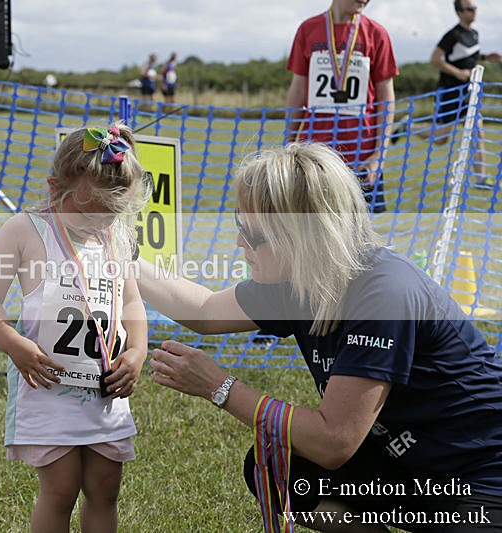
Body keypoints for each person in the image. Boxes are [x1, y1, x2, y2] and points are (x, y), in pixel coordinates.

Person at [139, 142, 502, 532]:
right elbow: (204, 311)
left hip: (479, 475)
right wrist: (116, 253)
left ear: (299, 236)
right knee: (278, 467)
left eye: (251, 234)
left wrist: (220, 387)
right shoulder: (297, 280)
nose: (239, 244)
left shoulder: (384, 295)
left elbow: (335, 441)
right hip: (410, 466)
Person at [0, 123, 150, 533]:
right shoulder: (25, 230)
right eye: (88, 212)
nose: (98, 223)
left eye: (110, 213)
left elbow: (131, 302)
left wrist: (138, 351)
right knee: (61, 489)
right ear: (56, 189)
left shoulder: (115, 237)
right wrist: (14, 345)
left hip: (105, 391)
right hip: (48, 388)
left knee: (106, 489)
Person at [286, 0, 398, 214]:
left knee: (361, 234)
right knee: (311, 225)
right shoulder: (308, 30)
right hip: (313, 154)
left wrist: (379, 154)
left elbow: (386, 96)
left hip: (362, 154)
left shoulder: (376, 34)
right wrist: (289, 142)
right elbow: (298, 91)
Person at [392, 0, 501, 189]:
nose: (474, 12)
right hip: (450, 92)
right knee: (441, 138)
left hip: (469, 93)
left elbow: (468, 57)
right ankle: (407, 126)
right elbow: (435, 59)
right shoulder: (452, 35)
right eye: (469, 9)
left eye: (475, 8)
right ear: (459, 12)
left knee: (478, 130)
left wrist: (485, 57)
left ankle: (481, 179)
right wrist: (457, 73)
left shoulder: (474, 34)